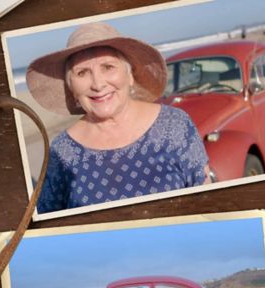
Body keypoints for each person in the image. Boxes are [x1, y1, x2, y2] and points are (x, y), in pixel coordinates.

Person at [27, 22, 211, 213]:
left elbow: (209, 200)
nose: (98, 84)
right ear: (72, 89)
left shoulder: (175, 124)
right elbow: (48, 226)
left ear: (130, 75)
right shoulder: (62, 152)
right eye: (82, 73)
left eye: (107, 67)